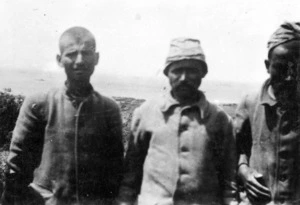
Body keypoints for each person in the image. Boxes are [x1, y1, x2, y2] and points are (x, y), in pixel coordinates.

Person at [1, 27, 124, 205]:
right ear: (59, 60)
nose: (80, 61)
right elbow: (17, 168)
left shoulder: (109, 108)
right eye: (72, 54)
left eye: (86, 53)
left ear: (96, 58)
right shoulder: (40, 103)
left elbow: (115, 171)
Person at [116, 38, 237, 205]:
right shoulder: (145, 113)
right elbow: (130, 177)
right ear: (167, 73)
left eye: (192, 70)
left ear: (203, 73)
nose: (184, 78)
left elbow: (229, 181)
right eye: (177, 70)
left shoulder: (220, 119)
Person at [235, 22, 300, 205]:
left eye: (297, 68)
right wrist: (243, 172)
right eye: (281, 67)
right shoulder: (250, 102)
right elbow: (238, 149)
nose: (289, 77)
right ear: (267, 65)